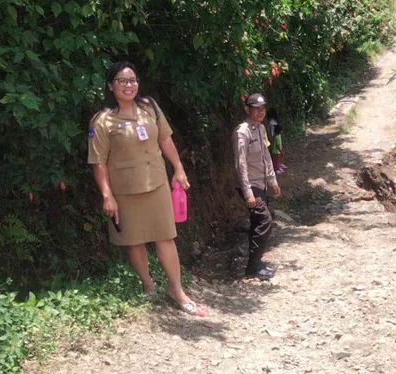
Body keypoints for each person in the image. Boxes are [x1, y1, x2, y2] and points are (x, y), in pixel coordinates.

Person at [88, 61, 206, 316]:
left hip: (157, 183)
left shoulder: (149, 107)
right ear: (111, 86)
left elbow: (165, 139)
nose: (129, 85)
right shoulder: (103, 121)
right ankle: (148, 284)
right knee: (134, 240)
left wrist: (178, 168)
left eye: (133, 80)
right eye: (122, 80)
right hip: (125, 190)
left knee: (166, 236)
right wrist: (107, 195)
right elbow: (98, 162)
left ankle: (177, 291)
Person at [234, 93, 282, 280]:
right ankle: (253, 267)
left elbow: (266, 157)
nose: (260, 112)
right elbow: (241, 164)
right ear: (248, 110)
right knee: (265, 221)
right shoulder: (242, 132)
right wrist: (248, 193)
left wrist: (273, 181)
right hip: (249, 185)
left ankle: (255, 265)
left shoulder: (261, 129)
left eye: (263, 109)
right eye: (256, 109)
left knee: (257, 223)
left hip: (261, 183)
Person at [267, 108, 287, 175]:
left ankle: (279, 165)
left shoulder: (273, 122)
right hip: (273, 141)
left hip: (275, 140)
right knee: (275, 156)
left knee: (277, 156)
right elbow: (271, 134)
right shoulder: (271, 123)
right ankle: (276, 167)